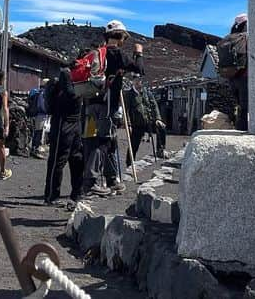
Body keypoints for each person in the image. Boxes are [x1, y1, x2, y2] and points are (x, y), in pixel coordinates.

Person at [82, 20, 143, 197]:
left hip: (91, 103)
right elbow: (139, 69)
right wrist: (138, 53)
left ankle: (111, 179)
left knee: (106, 140)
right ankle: (91, 181)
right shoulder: (117, 54)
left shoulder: (97, 53)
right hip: (107, 103)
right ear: (121, 36)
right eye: (124, 36)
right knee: (103, 140)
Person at [43, 57, 84, 209]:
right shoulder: (64, 78)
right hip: (63, 122)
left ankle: (77, 193)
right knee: (58, 159)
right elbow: (71, 94)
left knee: (77, 158)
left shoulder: (78, 79)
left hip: (75, 122)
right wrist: (68, 73)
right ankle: (51, 195)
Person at [218, 13, 249, 131]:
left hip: (232, 77)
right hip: (245, 76)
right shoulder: (246, 37)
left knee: (239, 106)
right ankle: (243, 130)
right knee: (246, 107)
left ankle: (239, 128)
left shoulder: (229, 38)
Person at [124, 75, 166, 161]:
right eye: (135, 80)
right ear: (132, 81)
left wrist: (158, 118)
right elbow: (126, 110)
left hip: (149, 121)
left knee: (161, 127)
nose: (137, 82)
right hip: (137, 124)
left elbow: (154, 105)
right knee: (133, 145)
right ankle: (130, 163)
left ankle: (160, 150)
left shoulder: (147, 92)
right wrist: (128, 124)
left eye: (139, 80)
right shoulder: (129, 95)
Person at [29, 78, 50, 158]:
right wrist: (48, 111)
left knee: (39, 131)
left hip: (40, 115)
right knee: (39, 132)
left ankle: (35, 148)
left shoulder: (40, 92)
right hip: (41, 115)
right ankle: (36, 149)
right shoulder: (43, 94)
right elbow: (42, 105)